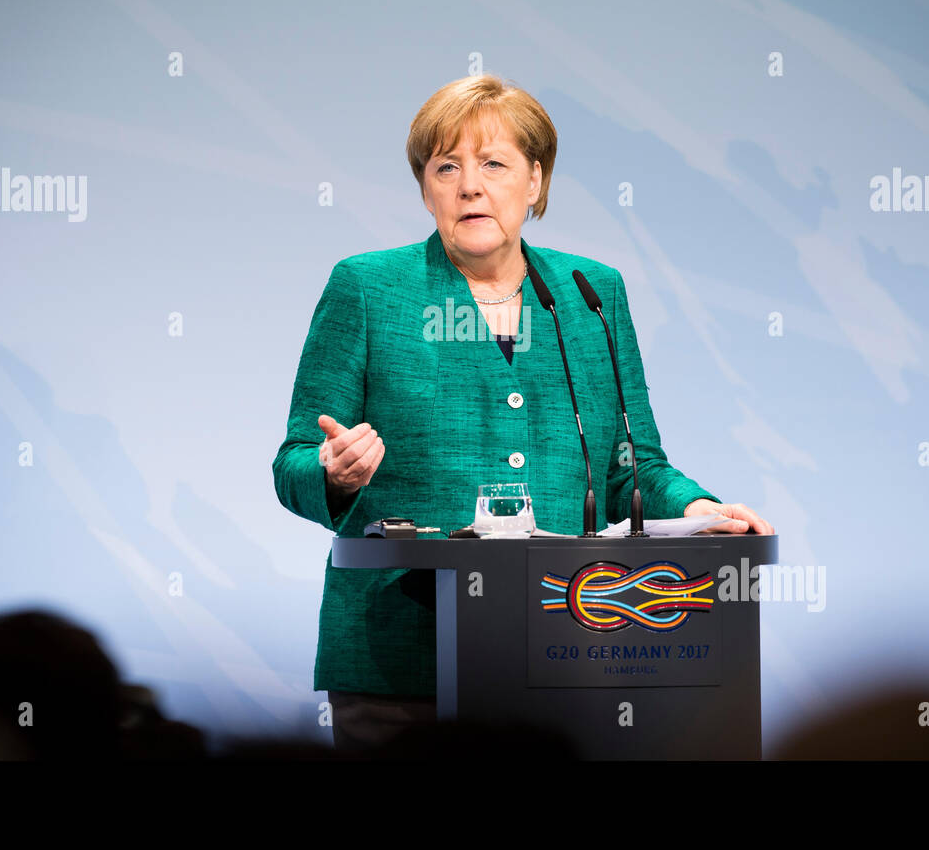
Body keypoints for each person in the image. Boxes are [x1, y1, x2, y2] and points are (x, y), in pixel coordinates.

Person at [272, 74, 774, 750]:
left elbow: (634, 465)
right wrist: (332, 472)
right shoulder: (368, 289)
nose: (468, 186)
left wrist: (699, 511)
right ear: (426, 188)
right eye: (445, 167)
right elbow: (295, 460)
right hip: (400, 665)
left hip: (565, 656)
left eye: (493, 164)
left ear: (535, 182)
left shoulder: (591, 293)